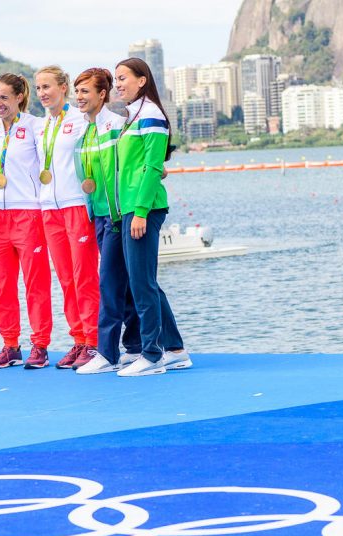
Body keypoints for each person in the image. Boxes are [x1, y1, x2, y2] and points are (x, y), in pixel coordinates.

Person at [111, 58, 191, 377]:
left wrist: (141, 212)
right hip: (132, 205)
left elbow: (153, 166)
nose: (118, 84)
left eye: (123, 78)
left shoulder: (152, 115)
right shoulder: (133, 115)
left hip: (143, 208)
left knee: (141, 283)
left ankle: (152, 354)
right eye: (115, 79)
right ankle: (175, 350)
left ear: (142, 80)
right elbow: (146, 163)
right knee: (146, 282)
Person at [0, 73, 52, 369]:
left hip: (27, 213)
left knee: (36, 283)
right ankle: (10, 345)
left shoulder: (36, 126)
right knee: (3, 284)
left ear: (20, 97)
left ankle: (41, 345)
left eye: (4, 98)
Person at [73, 68, 143, 375]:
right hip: (98, 215)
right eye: (77, 91)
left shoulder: (117, 125)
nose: (80, 97)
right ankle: (136, 345)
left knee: (110, 281)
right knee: (121, 282)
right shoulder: (84, 131)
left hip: (117, 216)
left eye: (86, 91)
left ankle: (106, 351)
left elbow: (130, 165)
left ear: (103, 94)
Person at [33, 66, 100, 370]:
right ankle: (78, 339)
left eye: (47, 87)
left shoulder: (81, 120)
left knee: (84, 276)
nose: (43, 93)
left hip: (75, 205)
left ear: (63, 88)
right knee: (65, 279)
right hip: (49, 208)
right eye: (38, 88)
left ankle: (95, 341)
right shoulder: (39, 125)